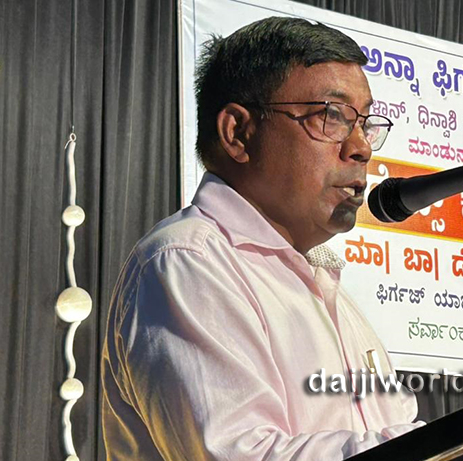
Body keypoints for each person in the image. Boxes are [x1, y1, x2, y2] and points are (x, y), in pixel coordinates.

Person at [102, 16, 423, 460]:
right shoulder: (188, 262)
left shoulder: (331, 293)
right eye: (331, 116)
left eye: (364, 123)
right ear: (238, 132)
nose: (361, 148)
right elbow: (242, 454)